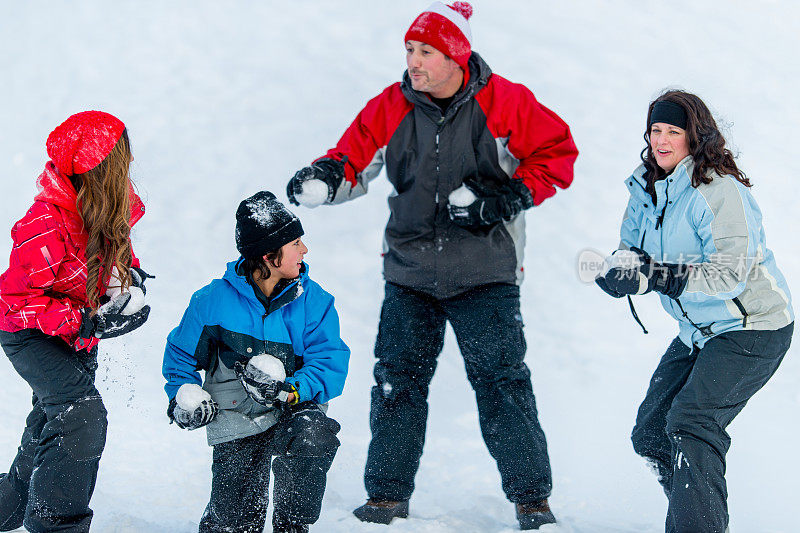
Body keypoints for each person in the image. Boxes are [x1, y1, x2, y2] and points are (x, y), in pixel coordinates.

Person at [286, 2, 578, 529]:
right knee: (397, 383)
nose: (413, 62)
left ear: (455, 56)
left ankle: (533, 502)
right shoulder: (392, 105)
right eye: (410, 50)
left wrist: (506, 196)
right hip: (409, 272)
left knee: (502, 383)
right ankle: (386, 498)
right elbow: (353, 159)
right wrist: (325, 179)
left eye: (425, 51)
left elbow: (557, 154)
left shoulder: (504, 102)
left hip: (486, 272)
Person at [595, 90, 793, 533]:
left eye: (674, 131)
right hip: (698, 330)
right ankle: (696, 513)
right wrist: (621, 269)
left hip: (751, 326)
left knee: (691, 423)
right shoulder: (646, 187)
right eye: (656, 130)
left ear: (695, 137)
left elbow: (729, 277)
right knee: (651, 433)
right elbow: (632, 249)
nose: (662, 141)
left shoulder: (720, 192)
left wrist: (658, 276)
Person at [162, 191, 350, 533]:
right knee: (234, 522)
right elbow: (181, 357)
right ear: (268, 256)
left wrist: (289, 390)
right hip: (235, 414)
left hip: (294, 409)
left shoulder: (314, 302)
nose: (304, 250)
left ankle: (292, 527)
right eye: (295, 243)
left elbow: (329, 361)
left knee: (313, 437)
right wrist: (183, 395)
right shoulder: (212, 301)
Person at [0, 111, 152, 533]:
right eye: (119, 160)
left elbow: (119, 262)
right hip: (30, 336)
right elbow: (13, 301)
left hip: (75, 337)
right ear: (97, 168)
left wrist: (130, 290)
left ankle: (9, 505)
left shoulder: (106, 209)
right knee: (81, 415)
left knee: (52, 422)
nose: (128, 167)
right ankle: (56, 526)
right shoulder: (45, 222)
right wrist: (82, 320)